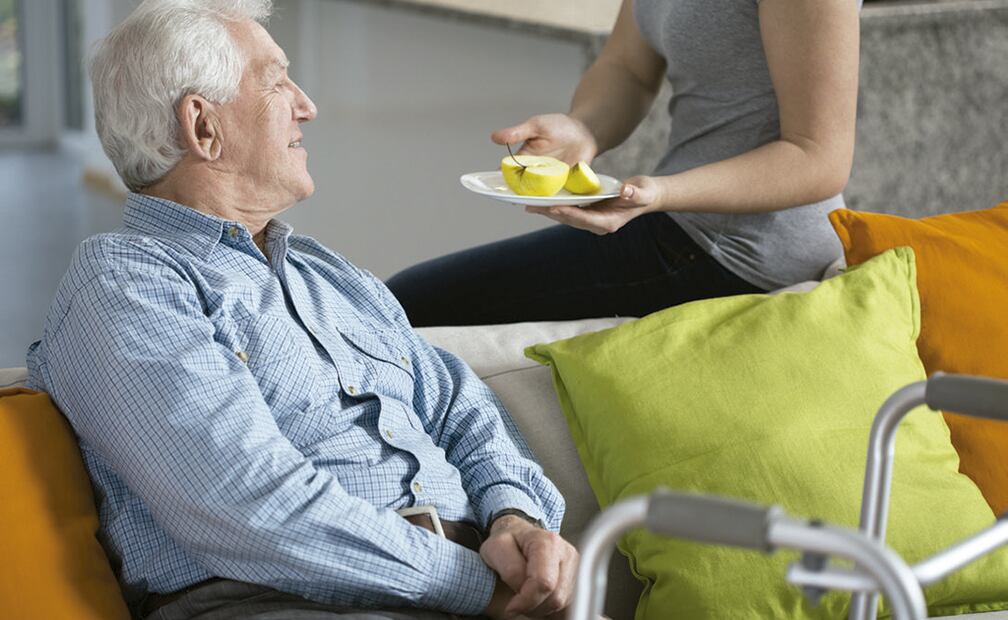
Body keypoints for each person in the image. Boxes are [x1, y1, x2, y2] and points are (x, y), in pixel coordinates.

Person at [25, 1, 577, 618]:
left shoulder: (330, 276)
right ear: (203, 127)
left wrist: (514, 515)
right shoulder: (126, 281)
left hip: (460, 590)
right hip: (282, 602)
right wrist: (477, 587)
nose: (306, 104)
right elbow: (245, 505)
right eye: (275, 80)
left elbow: (457, 403)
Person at [386, 0, 861, 326]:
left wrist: (661, 194)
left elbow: (818, 157)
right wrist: (583, 128)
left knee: (406, 306)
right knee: (396, 303)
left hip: (746, 255)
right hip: (678, 223)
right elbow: (628, 68)